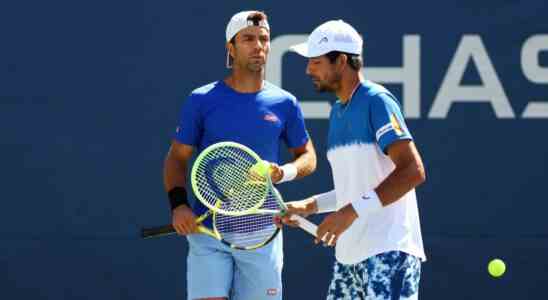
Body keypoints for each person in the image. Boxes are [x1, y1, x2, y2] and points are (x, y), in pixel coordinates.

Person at [163, 11, 317, 300]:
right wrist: (179, 205)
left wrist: (283, 172)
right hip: (207, 230)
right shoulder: (201, 100)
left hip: (262, 231)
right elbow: (176, 158)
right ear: (231, 48)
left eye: (264, 39)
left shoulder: (285, 103)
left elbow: (308, 156)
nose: (258, 45)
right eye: (248, 39)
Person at [280, 20, 426, 300]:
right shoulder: (338, 112)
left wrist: (349, 213)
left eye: (316, 61)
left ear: (342, 61)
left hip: (388, 254)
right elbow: (355, 188)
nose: (308, 69)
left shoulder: (377, 101)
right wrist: (310, 206)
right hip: (348, 260)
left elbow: (412, 172)